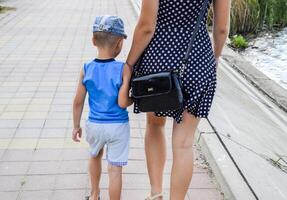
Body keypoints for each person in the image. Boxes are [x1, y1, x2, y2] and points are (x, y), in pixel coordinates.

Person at [126, 0, 231, 199]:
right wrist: (214, 58)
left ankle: (156, 193)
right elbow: (222, 29)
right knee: (183, 143)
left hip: (158, 59)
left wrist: (129, 64)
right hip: (197, 60)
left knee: (155, 126)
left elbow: (147, 26)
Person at [72, 15, 133, 200]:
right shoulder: (123, 69)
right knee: (115, 169)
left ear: (93, 41)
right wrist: (133, 100)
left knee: (95, 156)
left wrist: (76, 126)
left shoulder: (86, 68)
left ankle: (94, 194)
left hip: (94, 125)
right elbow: (123, 103)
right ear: (119, 44)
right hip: (117, 127)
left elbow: (77, 101)